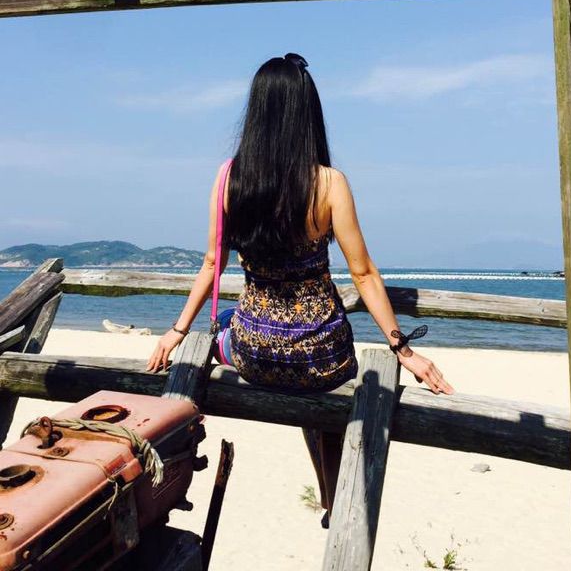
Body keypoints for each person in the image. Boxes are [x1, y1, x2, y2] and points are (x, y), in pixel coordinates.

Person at [146, 52, 455, 525]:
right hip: (323, 357)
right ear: (307, 113)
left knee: (227, 324)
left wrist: (177, 331)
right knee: (323, 395)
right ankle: (331, 499)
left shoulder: (230, 178)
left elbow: (212, 262)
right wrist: (403, 349)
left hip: (255, 353)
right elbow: (364, 274)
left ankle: (321, 492)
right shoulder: (330, 184)